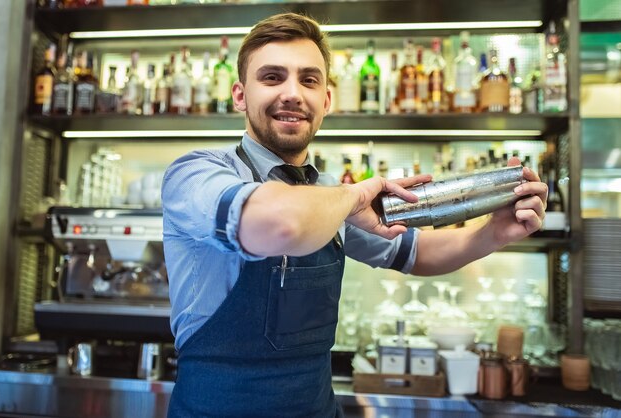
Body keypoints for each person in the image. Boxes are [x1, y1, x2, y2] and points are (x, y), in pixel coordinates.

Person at [162, 12, 548, 418]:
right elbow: (280, 223)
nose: (292, 93)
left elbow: (415, 252)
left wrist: (492, 235)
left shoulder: (328, 193)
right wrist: (351, 194)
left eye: (309, 80)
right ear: (240, 95)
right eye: (272, 77)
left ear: (326, 100)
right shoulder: (195, 173)